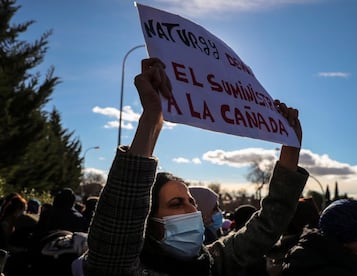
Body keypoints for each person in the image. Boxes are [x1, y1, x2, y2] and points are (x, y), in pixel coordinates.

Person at [82, 57, 308, 275]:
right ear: (147, 222)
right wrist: (152, 117)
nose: (192, 210)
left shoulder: (211, 263)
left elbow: (268, 225)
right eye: (176, 203)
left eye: (192, 201)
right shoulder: (119, 267)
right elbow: (120, 217)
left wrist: (290, 151)